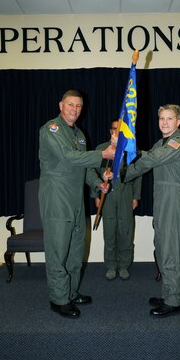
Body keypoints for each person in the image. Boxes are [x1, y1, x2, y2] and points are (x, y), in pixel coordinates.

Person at [38, 89, 115, 318]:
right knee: (58, 250)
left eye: (79, 106)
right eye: (71, 104)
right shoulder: (51, 129)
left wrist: (98, 184)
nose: (75, 109)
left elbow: (85, 167)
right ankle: (59, 299)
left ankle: (70, 292)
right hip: (57, 197)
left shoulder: (79, 135)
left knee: (75, 249)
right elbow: (69, 157)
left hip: (75, 198)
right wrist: (103, 154)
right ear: (61, 105)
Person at [124, 104, 180, 317]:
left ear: (178, 122)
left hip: (173, 200)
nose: (164, 122)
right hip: (162, 201)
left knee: (172, 251)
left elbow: (151, 159)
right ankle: (167, 293)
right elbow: (149, 155)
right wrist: (125, 169)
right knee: (162, 248)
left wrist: (126, 169)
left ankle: (173, 302)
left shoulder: (177, 143)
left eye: (169, 118)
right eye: (161, 118)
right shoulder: (160, 143)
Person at [93, 119, 142, 281]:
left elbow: (137, 176)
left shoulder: (130, 150)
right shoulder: (101, 149)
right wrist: (96, 195)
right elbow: (92, 173)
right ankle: (111, 266)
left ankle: (124, 266)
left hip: (125, 194)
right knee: (109, 232)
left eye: (121, 129)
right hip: (107, 196)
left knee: (125, 232)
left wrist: (136, 196)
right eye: (115, 129)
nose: (117, 132)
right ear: (110, 131)